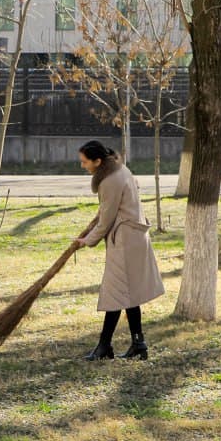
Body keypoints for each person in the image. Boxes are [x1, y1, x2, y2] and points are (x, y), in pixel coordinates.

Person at [74, 140, 164, 360]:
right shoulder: (120, 169)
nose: (83, 166)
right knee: (128, 294)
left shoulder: (109, 181)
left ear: (98, 161)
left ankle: (105, 347)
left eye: (85, 162)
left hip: (124, 241)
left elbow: (106, 220)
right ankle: (138, 344)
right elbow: (112, 209)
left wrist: (88, 240)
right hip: (133, 237)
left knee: (115, 293)